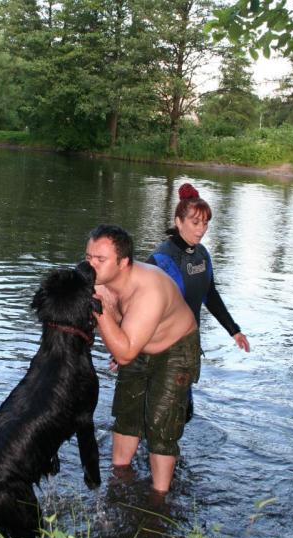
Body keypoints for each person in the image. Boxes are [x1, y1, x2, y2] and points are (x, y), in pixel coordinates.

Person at [86, 224, 201, 494]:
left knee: (161, 426)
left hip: (176, 349)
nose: (91, 264)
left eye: (100, 259)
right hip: (137, 343)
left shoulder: (148, 290)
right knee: (127, 415)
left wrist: (98, 309)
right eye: (89, 256)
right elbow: (121, 341)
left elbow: (124, 352)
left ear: (123, 262)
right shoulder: (101, 281)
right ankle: (118, 478)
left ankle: (160, 499)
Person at [147, 183, 250, 420]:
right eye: (195, 223)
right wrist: (124, 350)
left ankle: (164, 456)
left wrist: (234, 330)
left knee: (184, 413)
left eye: (205, 223)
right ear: (179, 221)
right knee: (162, 415)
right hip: (162, 349)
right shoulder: (161, 260)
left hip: (189, 345)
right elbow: (137, 304)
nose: (202, 229)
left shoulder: (202, 254)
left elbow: (209, 294)